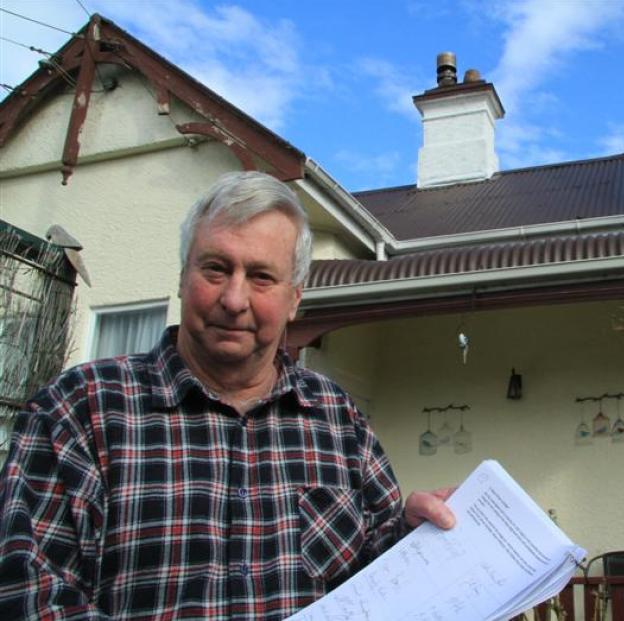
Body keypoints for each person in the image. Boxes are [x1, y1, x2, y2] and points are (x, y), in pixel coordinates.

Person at [0, 171, 455, 620]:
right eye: (216, 268)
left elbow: (375, 581)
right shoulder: (78, 411)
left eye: (261, 277)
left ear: (294, 299)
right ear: (182, 278)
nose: (234, 299)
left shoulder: (339, 422)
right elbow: (30, 598)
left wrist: (409, 538)